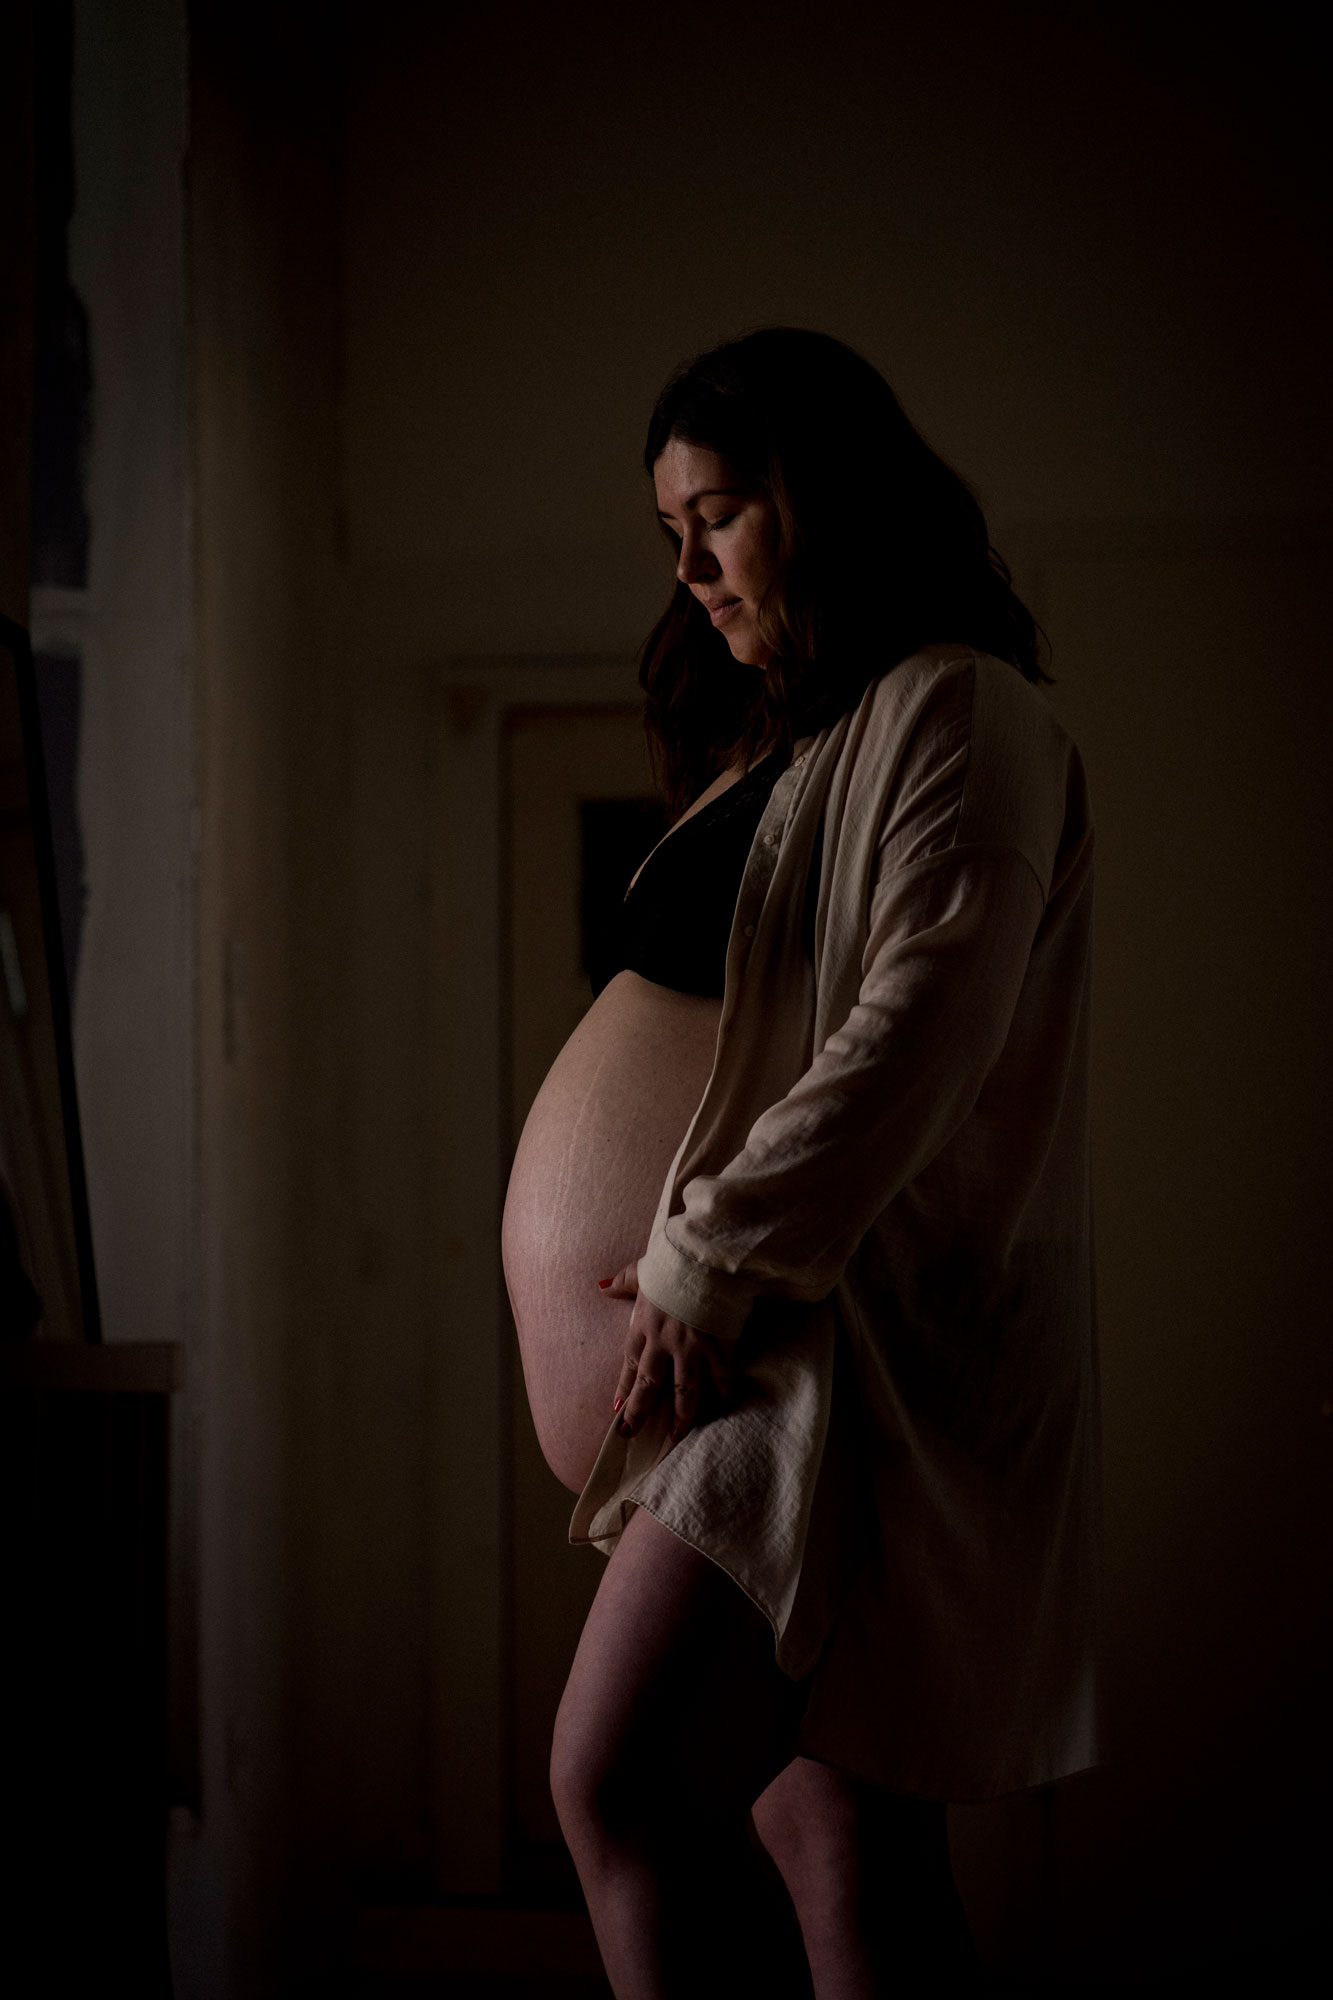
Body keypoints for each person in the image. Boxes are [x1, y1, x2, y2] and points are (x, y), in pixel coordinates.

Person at [501, 328, 1099, 1998]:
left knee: (617, 1786)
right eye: (669, 533)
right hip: (757, 1367)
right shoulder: (795, 748)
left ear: (823, 501)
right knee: (846, 1853)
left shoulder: (958, 708)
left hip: (815, 1368)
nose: (687, 569)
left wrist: (706, 1265)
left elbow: (922, 1021)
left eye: (718, 516)